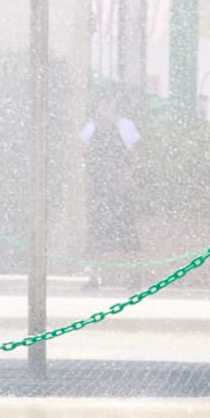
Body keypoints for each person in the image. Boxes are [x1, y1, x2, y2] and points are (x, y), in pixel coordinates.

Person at [81, 94, 141, 288]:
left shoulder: (125, 126)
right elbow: (83, 150)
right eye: (102, 103)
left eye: (109, 103)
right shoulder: (91, 127)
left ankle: (134, 276)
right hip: (99, 188)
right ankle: (94, 277)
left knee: (128, 232)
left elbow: (135, 153)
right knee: (96, 232)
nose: (105, 107)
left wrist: (128, 175)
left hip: (120, 188)